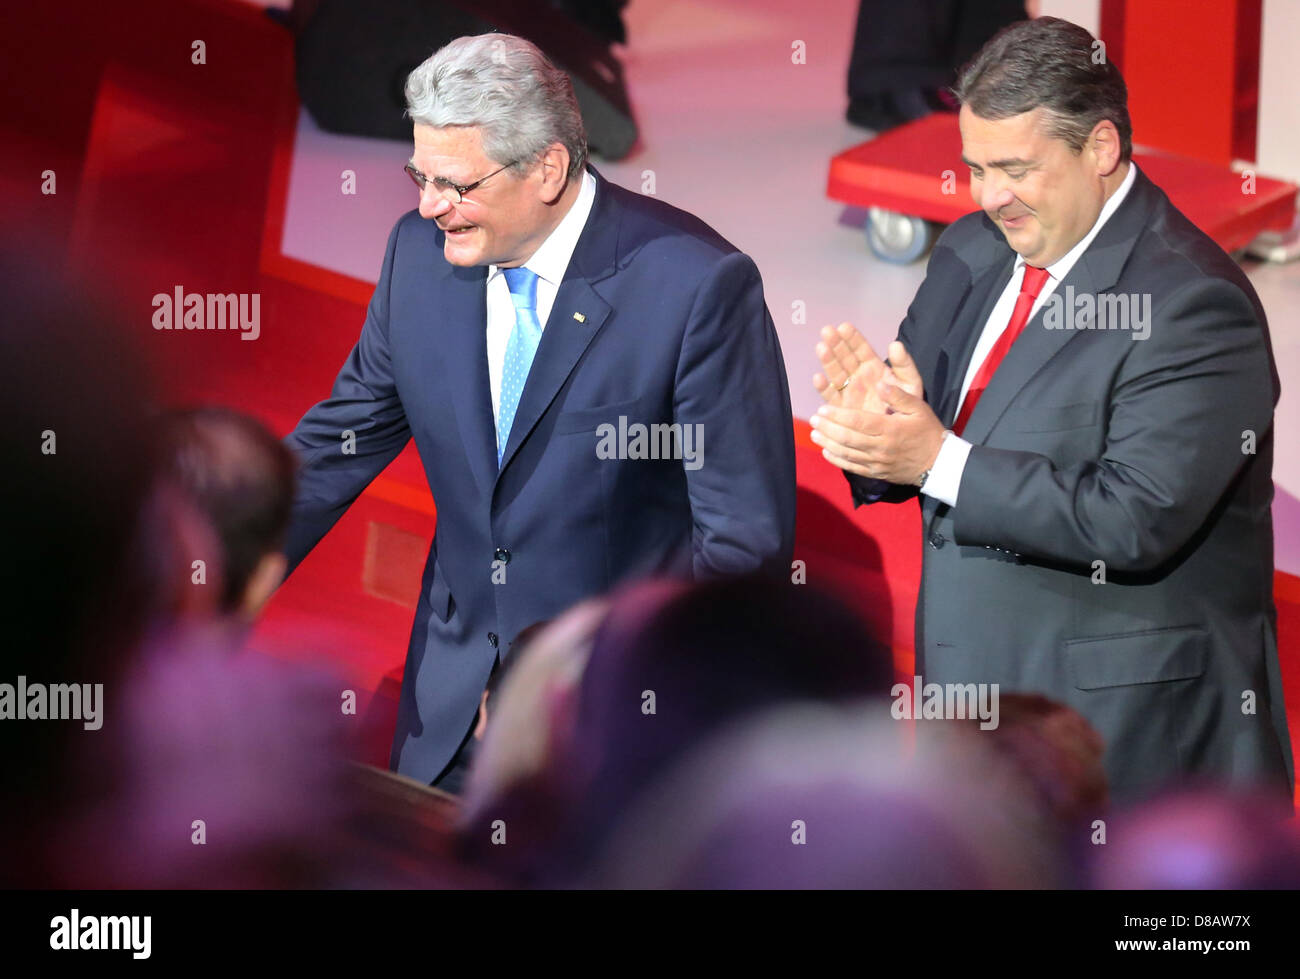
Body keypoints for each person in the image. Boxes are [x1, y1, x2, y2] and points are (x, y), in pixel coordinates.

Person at [281, 33, 796, 792]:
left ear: (548, 168)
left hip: (607, 733)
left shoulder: (694, 289)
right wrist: (212, 561)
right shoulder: (417, 257)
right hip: (447, 711)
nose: (430, 207)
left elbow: (741, 550)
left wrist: (592, 683)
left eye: (456, 185)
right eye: (419, 177)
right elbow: (341, 437)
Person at [809, 17, 1293, 803]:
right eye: (974, 168)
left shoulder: (1192, 303)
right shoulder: (970, 250)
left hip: (1123, 742)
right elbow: (922, 437)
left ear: (1100, 149)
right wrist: (878, 430)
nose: (988, 196)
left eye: (1015, 169)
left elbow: (1132, 517)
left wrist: (934, 458)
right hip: (970, 724)